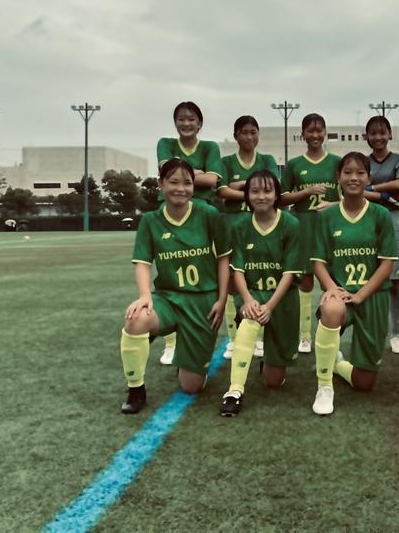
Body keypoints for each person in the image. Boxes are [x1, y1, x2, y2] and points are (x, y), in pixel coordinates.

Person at [120, 159, 231, 414]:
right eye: (173, 182)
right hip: (168, 298)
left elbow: (224, 257)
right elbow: (143, 262)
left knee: (191, 386)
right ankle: (136, 389)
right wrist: (145, 296)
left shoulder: (208, 214)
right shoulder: (151, 220)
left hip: (203, 302)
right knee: (136, 319)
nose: (180, 188)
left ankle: (186, 356)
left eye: (187, 183)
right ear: (161, 185)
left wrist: (222, 299)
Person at [309, 152, 397, 416]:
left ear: (369, 178)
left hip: (373, 296)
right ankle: (324, 385)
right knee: (332, 309)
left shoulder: (380, 215)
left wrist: (361, 295)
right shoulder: (327, 216)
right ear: (338, 177)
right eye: (347, 172)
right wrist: (332, 289)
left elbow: (387, 263)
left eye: (360, 172)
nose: (353, 178)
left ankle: (337, 365)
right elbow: (318, 262)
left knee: (364, 383)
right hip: (342, 294)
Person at [219, 170, 302, 417]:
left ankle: (270, 360)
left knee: (274, 381)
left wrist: (270, 306)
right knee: (249, 318)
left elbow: (289, 273)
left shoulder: (291, 224)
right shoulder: (239, 225)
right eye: (254, 191)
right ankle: (234, 391)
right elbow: (238, 270)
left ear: (277, 194)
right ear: (246, 195)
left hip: (282, 298)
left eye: (267, 190)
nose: (261, 196)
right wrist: (247, 300)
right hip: (252, 292)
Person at [155, 101, 223, 365]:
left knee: (201, 268)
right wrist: (199, 174)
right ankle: (170, 341)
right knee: (170, 269)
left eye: (191, 119)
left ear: (199, 123)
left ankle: (193, 332)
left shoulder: (210, 147)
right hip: (169, 213)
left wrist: (181, 173)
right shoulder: (165, 142)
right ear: (175, 123)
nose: (186, 123)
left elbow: (213, 181)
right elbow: (170, 172)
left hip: (201, 214)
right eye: (181, 119)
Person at [217, 115, 280, 360]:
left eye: (254, 132)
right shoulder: (226, 161)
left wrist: (240, 185)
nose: (249, 137)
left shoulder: (267, 159)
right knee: (234, 279)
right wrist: (253, 186)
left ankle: (259, 337)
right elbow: (222, 190)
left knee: (260, 277)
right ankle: (234, 337)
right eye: (244, 132)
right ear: (236, 135)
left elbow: (273, 185)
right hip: (234, 225)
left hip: (262, 226)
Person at [281, 113, 341, 354]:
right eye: (310, 130)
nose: (315, 135)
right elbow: (282, 197)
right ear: (303, 134)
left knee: (333, 282)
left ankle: (332, 333)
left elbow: (350, 196)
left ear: (325, 132)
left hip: (331, 228)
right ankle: (305, 336)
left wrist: (333, 205)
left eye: (319, 130)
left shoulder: (337, 162)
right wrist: (306, 193)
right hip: (304, 227)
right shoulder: (295, 164)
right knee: (305, 281)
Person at [363, 115, 399, 355]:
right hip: (368, 220)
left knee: (395, 281)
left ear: (390, 135)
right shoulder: (363, 162)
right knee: (371, 279)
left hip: (393, 220)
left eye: (382, 132)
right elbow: (354, 188)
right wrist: (381, 194)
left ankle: (396, 334)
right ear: (366, 137)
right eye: (373, 133)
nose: (378, 137)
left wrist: (371, 189)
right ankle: (376, 330)